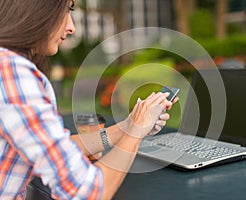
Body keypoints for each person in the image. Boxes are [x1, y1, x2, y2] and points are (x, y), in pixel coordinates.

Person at [0, 0, 176, 199]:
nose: (71, 27)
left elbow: (58, 150)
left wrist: (127, 127)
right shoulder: (11, 72)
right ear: (35, 10)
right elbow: (89, 192)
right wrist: (136, 131)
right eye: (66, 11)